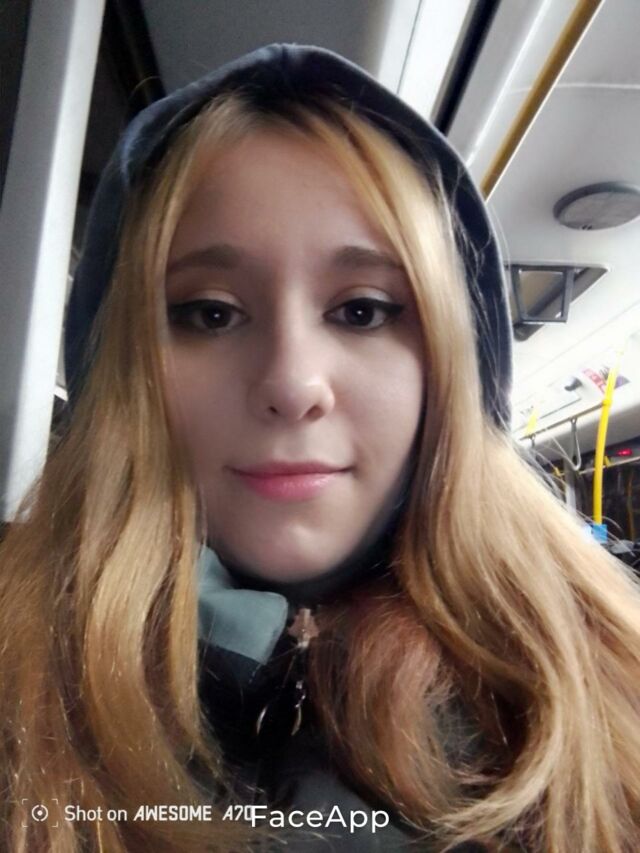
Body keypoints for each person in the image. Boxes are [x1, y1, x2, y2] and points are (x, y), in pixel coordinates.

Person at [0, 43, 639, 853]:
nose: (292, 383)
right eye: (210, 313)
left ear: (449, 365)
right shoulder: (18, 670)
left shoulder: (612, 685)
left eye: (362, 310)